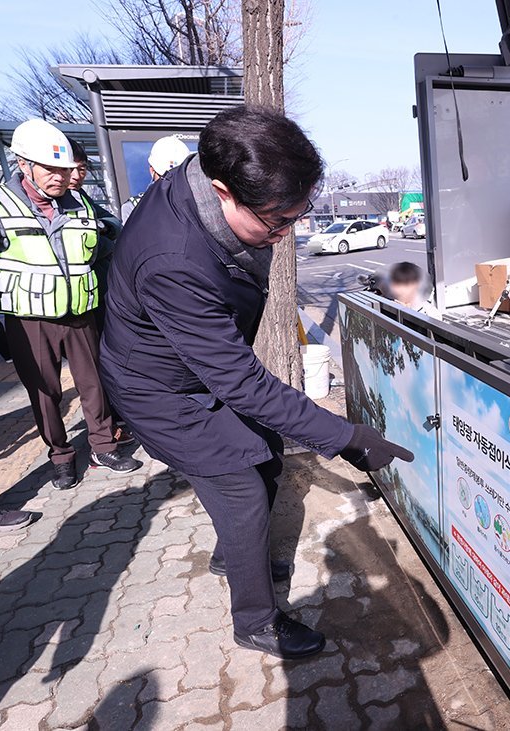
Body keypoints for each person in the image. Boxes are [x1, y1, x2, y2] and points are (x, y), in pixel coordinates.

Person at [100, 106, 413, 660]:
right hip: (159, 388)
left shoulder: (209, 178)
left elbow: (234, 376)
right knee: (240, 490)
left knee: (266, 455)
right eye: (276, 222)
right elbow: (242, 384)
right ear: (222, 190)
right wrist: (347, 436)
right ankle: (255, 620)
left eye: (297, 215)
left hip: (194, 367)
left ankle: (235, 556)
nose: (286, 234)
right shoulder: (172, 260)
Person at [0, 119, 141, 490]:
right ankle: (60, 456)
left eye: (64, 170)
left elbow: (102, 249)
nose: (60, 177)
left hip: (80, 312)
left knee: (93, 382)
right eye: (51, 169)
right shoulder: (2, 205)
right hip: (29, 318)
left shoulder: (80, 204)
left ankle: (103, 446)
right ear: (23, 164)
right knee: (44, 392)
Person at [65, 137, 134, 446]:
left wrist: (102, 233)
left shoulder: (84, 200)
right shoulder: (60, 203)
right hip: (79, 300)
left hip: (102, 290)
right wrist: (103, 239)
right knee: (92, 366)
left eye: (82, 168)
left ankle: (117, 416)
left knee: (109, 355)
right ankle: (105, 429)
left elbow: (114, 225)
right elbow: (85, 250)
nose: (77, 176)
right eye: (73, 169)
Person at [120, 134, 191, 223]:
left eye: (176, 178)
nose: (170, 184)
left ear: (152, 170)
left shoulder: (134, 207)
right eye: (165, 178)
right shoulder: (133, 208)